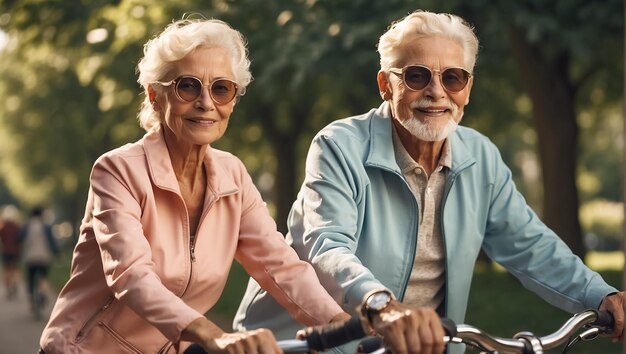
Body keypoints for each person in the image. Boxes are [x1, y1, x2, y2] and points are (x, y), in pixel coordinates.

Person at [235, 9, 625, 354]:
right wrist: (380, 305)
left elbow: (529, 245)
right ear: (386, 84)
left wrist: (600, 295)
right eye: (417, 76)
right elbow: (326, 243)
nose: (437, 92)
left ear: (467, 89)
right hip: (308, 342)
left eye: (452, 78)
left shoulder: (481, 156)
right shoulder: (339, 146)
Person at [38, 18, 355, 354]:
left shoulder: (233, 175)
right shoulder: (117, 170)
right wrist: (212, 333)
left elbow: (280, 266)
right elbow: (131, 277)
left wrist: (340, 324)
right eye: (187, 86)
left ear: (233, 100)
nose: (206, 103)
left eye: (221, 88)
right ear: (156, 96)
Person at [19, 206, 59, 311]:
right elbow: (52, 242)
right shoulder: (46, 226)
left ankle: (32, 301)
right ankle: (43, 292)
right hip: (44, 257)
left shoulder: (26, 226)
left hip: (30, 257)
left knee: (31, 279)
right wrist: (56, 253)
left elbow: (19, 239)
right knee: (43, 277)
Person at [0, 205, 21, 300]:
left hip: (6, 251)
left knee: (7, 270)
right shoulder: (17, 227)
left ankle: (9, 287)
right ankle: (15, 283)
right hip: (16, 251)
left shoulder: (3, 227)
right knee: (15, 269)